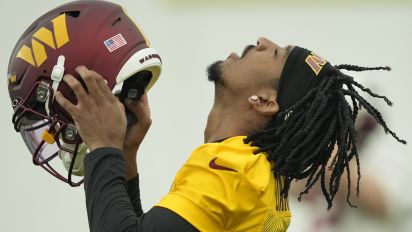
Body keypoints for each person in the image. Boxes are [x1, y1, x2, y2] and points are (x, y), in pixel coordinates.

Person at [53, 37, 406, 232]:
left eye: (276, 54)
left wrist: (102, 145)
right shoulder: (257, 171)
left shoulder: (232, 168)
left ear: (266, 101)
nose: (262, 41)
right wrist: (125, 156)